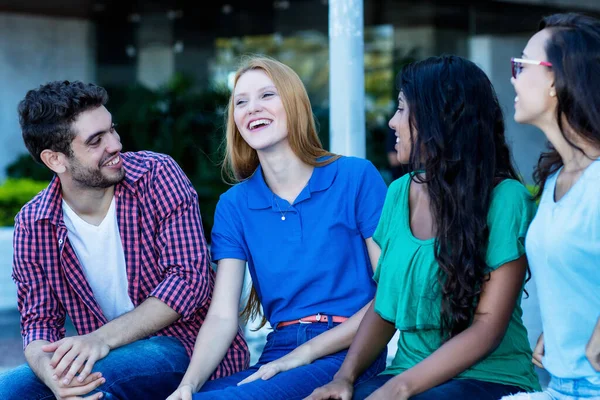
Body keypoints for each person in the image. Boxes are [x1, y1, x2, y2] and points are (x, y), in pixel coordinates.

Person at [307, 55, 541, 400]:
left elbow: (488, 327)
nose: (391, 122)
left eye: (401, 110)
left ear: (437, 120)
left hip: (490, 376)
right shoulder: (399, 192)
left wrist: (398, 389)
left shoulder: (506, 199)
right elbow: (384, 306)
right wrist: (344, 377)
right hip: (407, 371)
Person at [0, 81, 249, 400]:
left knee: (97, 383)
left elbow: (189, 280)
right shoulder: (34, 223)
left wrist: (100, 339)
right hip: (110, 357)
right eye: (96, 141)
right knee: (10, 389)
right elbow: (39, 323)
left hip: (186, 347)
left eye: (111, 130)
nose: (115, 144)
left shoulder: (157, 175)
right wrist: (50, 374)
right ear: (55, 160)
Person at [166, 56, 388, 400]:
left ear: (295, 104)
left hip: (352, 350)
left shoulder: (355, 177)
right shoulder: (234, 205)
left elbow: (389, 294)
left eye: (267, 95)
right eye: (241, 102)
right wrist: (188, 385)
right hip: (278, 351)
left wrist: (305, 354)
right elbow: (223, 316)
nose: (252, 108)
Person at [501, 13, 600, 400]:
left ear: (556, 79)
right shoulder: (557, 177)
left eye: (521, 64)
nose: (513, 77)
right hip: (561, 385)